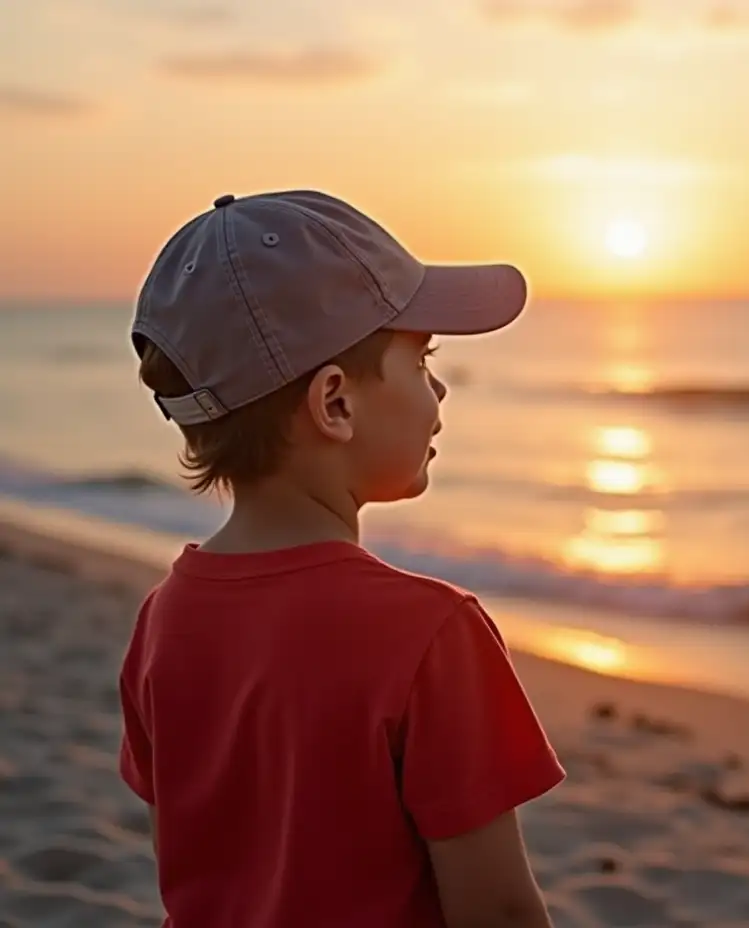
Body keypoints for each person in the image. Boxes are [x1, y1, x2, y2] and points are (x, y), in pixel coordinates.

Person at [117, 190, 564, 927]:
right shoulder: (432, 633)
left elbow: (193, 869)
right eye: (421, 359)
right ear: (335, 404)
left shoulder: (164, 620)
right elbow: (500, 912)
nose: (441, 388)